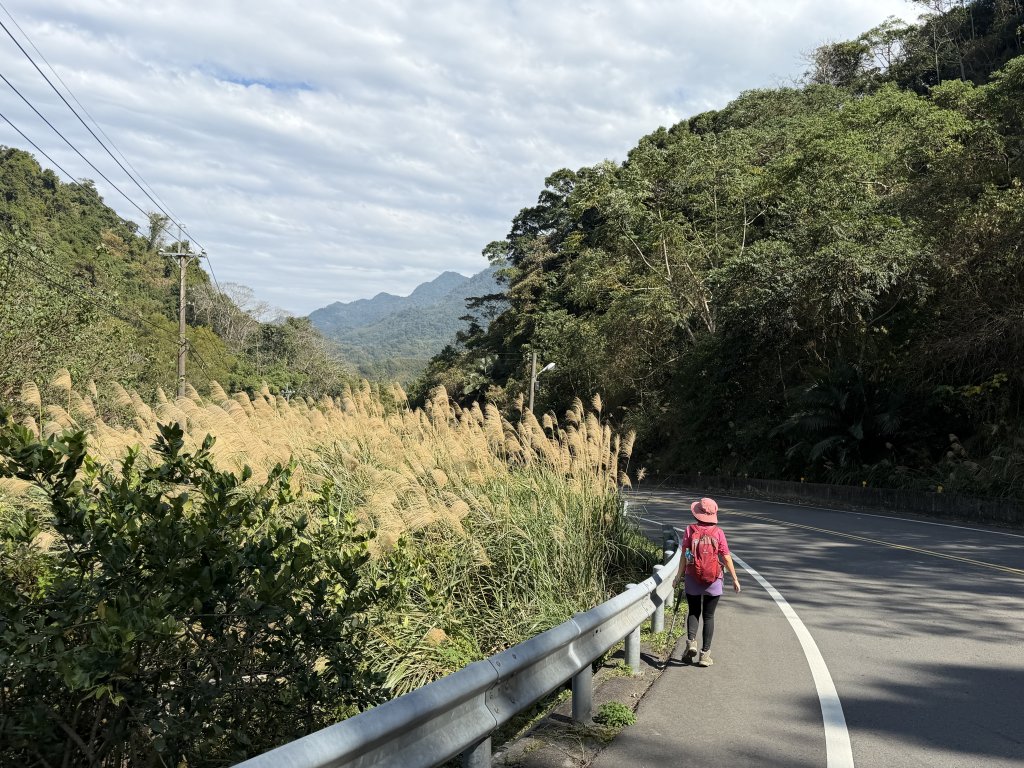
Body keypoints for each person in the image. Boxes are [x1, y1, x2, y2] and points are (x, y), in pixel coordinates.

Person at [681, 497, 740, 667]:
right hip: (713, 579)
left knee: (693, 611)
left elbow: (685, 555)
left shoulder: (689, 530)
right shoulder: (718, 532)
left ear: (697, 514)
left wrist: (679, 575)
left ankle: (691, 642)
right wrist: (735, 578)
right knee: (709, 616)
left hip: (693, 577)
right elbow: (726, 557)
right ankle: (705, 655)